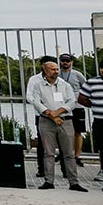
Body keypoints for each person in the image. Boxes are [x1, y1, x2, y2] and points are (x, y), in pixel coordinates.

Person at [26, 55, 85, 191]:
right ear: (45, 70)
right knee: (48, 152)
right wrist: (51, 115)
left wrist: (57, 113)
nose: (56, 71)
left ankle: (74, 182)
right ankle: (49, 181)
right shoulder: (37, 85)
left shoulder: (66, 85)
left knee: (68, 153)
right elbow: (36, 101)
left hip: (65, 120)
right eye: (52, 69)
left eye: (57, 69)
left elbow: (72, 102)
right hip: (46, 121)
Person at [76, 59, 103, 192]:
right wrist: (94, 105)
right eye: (102, 68)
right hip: (101, 122)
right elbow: (81, 98)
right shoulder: (92, 82)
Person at [58, 54, 88, 166]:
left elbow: (86, 87)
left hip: (77, 106)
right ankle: (63, 154)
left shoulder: (77, 74)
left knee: (77, 132)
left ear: (71, 62)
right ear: (60, 61)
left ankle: (77, 156)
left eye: (67, 61)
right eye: (63, 61)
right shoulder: (57, 74)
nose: (65, 63)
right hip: (61, 107)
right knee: (61, 132)